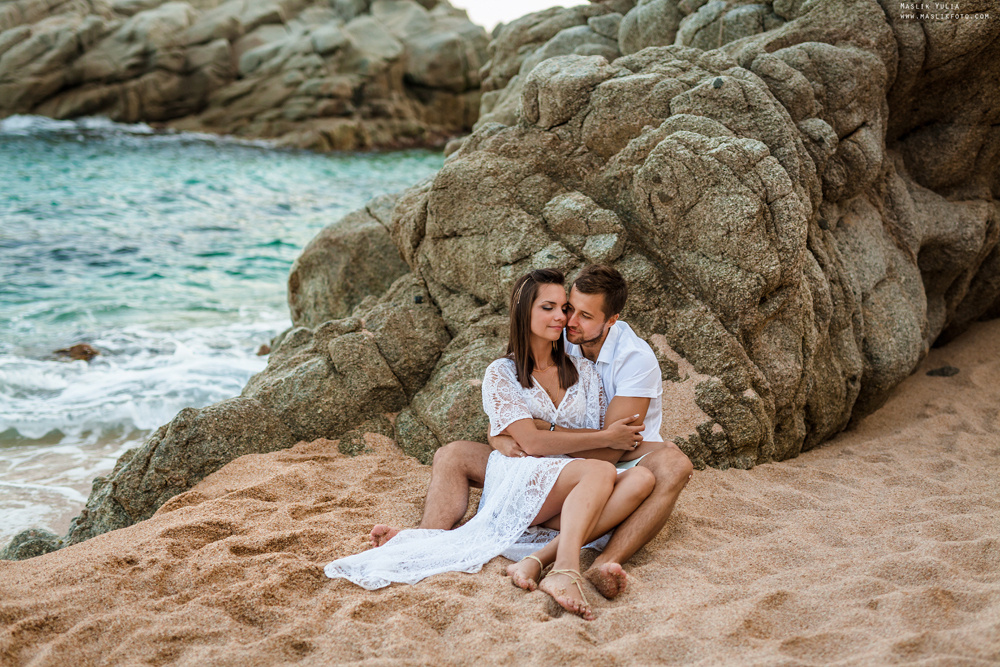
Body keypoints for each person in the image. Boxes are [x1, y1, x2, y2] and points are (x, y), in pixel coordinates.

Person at [326, 269, 654, 620]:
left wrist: (551, 436)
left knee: (642, 478)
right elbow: (530, 442)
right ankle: (564, 568)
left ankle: (534, 556)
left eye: (564, 308)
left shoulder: (584, 372)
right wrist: (601, 437)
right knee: (599, 470)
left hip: (569, 484)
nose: (562, 317)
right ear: (524, 311)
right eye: (549, 308)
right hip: (524, 474)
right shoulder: (502, 372)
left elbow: (574, 445)